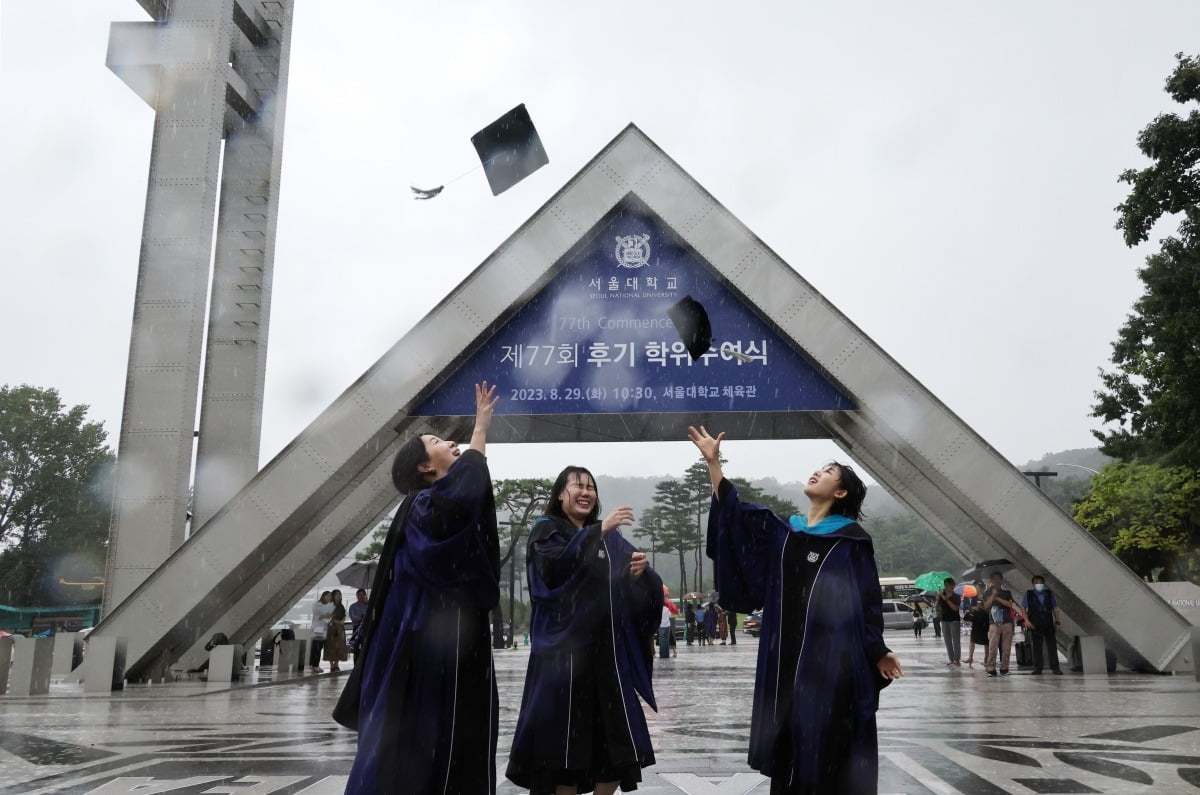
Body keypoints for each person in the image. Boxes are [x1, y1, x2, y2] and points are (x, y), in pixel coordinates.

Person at [688, 425, 902, 793]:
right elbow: (736, 517)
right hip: (784, 660)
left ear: (840, 492)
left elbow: (866, 601)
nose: (817, 472)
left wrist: (877, 649)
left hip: (833, 664)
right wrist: (714, 463)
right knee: (787, 746)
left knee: (828, 747)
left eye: (829, 472)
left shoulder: (851, 541)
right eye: (819, 468)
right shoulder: (784, 532)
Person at [343, 383, 502, 794]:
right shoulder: (423, 508)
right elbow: (464, 497)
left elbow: (468, 497)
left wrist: (479, 435)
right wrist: (479, 431)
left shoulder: (434, 506)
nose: (450, 442)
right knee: (420, 753)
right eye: (436, 441)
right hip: (425, 652)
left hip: (446, 646)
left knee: (440, 748)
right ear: (423, 468)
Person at [506, 466, 663, 795]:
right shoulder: (547, 530)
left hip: (607, 663)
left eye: (590, 486)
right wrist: (598, 532)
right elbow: (553, 573)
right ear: (560, 494)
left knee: (616, 750)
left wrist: (639, 575)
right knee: (565, 757)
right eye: (577, 485)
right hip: (565, 662)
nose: (586, 492)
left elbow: (630, 586)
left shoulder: (608, 538)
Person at [982, 570, 1024, 677]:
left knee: (1006, 647)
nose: (997, 581)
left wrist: (998, 598)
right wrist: (992, 596)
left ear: (1002, 580)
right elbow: (986, 606)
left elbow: (1010, 605)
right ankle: (991, 668)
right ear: (991, 581)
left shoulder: (1006, 592)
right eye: (994, 579)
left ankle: (1004, 667)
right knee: (992, 646)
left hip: (1007, 622)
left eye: (998, 579)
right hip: (994, 623)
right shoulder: (987, 592)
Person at [1022, 575, 1064, 675]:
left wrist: (1057, 622)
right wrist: (1026, 621)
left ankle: (1055, 668)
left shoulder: (1049, 594)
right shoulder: (1028, 594)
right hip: (1035, 623)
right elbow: (1023, 608)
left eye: (1040, 582)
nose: (1038, 584)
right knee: (1037, 646)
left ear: (1043, 583)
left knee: (1052, 646)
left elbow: (1055, 609)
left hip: (1048, 622)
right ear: (1033, 584)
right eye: (1036, 582)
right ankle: (1038, 668)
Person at [935, 578, 962, 666]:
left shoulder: (956, 596)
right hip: (944, 620)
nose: (946, 587)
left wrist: (946, 599)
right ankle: (951, 659)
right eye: (945, 585)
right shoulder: (942, 596)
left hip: (954, 620)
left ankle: (957, 659)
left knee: (956, 640)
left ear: (953, 586)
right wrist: (938, 598)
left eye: (948, 585)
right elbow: (936, 607)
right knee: (947, 640)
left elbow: (955, 608)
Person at [323, 589, 348, 673]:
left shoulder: (341, 606)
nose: (338, 596)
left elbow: (344, 615)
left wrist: (342, 621)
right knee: (331, 645)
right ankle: (331, 665)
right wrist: (337, 621)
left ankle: (336, 664)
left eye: (339, 595)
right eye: (336, 595)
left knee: (340, 646)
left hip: (340, 628)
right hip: (331, 627)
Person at [309, 591, 333, 672]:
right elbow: (318, 616)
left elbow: (329, 616)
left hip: (325, 628)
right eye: (327, 596)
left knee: (320, 648)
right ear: (323, 596)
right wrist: (324, 616)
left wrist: (325, 616)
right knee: (316, 647)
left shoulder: (330, 605)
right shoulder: (317, 605)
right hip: (318, 628)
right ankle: (314, 665)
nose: (328, 597)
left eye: (330, 596)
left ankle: (316, 665)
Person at [347, 588, 368, 659]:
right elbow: (353, 617)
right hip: (357, 629)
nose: (361, 596)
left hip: (367, 628)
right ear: (357, 596)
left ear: (365, 595)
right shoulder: (353, 606)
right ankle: (356, 664)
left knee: (365, 647)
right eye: (359, 595)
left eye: (363, 594)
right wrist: (361, 618)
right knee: (356, 648)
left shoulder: (368, 605)